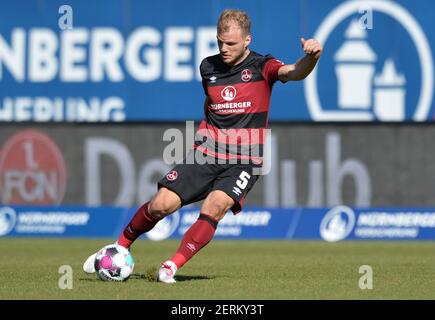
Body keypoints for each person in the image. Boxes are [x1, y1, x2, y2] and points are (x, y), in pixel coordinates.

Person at [83, 9, 322, 283]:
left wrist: (311, 58)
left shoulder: (263, 66)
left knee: (214, 206)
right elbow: (213, 106)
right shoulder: (208, 68)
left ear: (247, 40)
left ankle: (171, 266)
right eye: (220, 41)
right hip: (207, 153)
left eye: (231, 43)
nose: (224, 48)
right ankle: (118, 247)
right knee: (161, 204)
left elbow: (294, 72)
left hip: (244, 160)